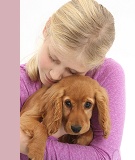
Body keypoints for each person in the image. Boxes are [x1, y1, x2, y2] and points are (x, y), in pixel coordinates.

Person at [20, 0, 125, 159]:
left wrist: (26, 144)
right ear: (47, 28)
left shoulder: (107, 74)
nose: (54, 75)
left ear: (95, 63)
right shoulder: (18, 82)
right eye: (53, 57)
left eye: (72, 71)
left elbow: (105, 156)